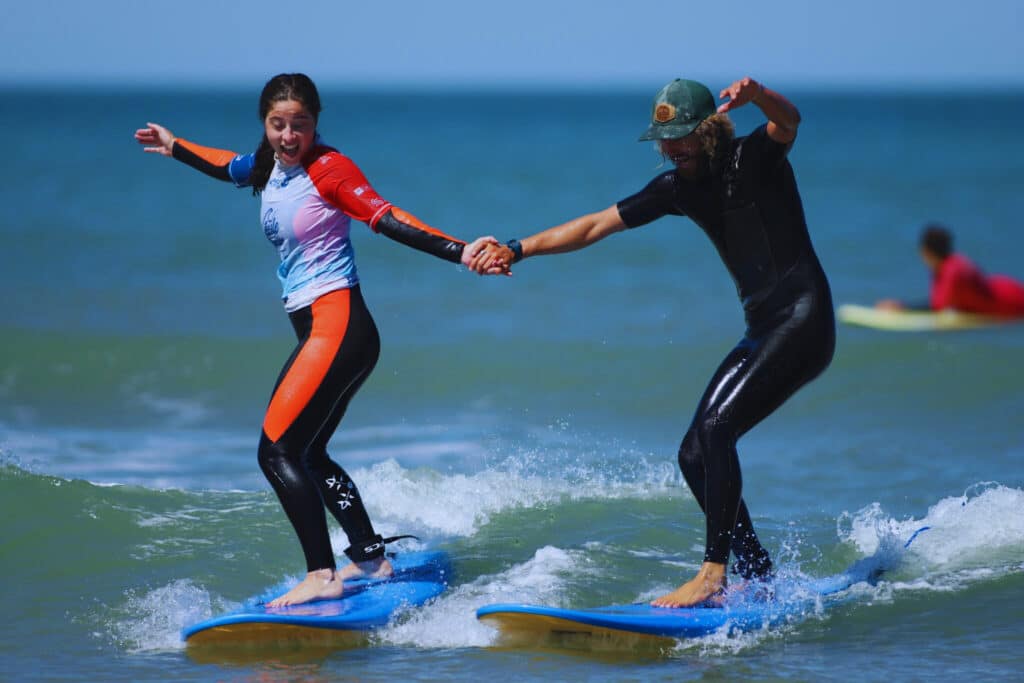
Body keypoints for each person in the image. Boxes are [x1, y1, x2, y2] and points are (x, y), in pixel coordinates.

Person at [469, 76, 835, 607]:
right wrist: (517, 249)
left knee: (716, 430)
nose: (672, 149)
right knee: (693, 455)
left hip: (804, 320)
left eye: (683, 136)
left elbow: (790, 122)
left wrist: (758, 96)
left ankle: (713, 574)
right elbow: (595, 225)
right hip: (763, 328)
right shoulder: (677, 190)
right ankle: (759, 575)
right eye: (665, 140)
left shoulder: (754, 158)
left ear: (709, 130)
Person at [135, 73, 499, 607]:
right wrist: (175, 147)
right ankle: (370, 557)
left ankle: (322, 573)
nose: (288, 135)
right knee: (308, 453)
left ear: (316, 122)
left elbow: (386, 215)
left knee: (276, 452)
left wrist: (461, 251)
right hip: (321, 330)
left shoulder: (330, 169)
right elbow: (226, 165)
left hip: (340, 326)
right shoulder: (268, 165)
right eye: (278, 124)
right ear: (265, 124)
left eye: (299, 125)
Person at [877, 223, 1024, 316]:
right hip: (1006, 289)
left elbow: (939, 306)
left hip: (1013, 302)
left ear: (926, 251)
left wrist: (901, 307)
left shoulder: (953, 271)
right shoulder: (952, 263)